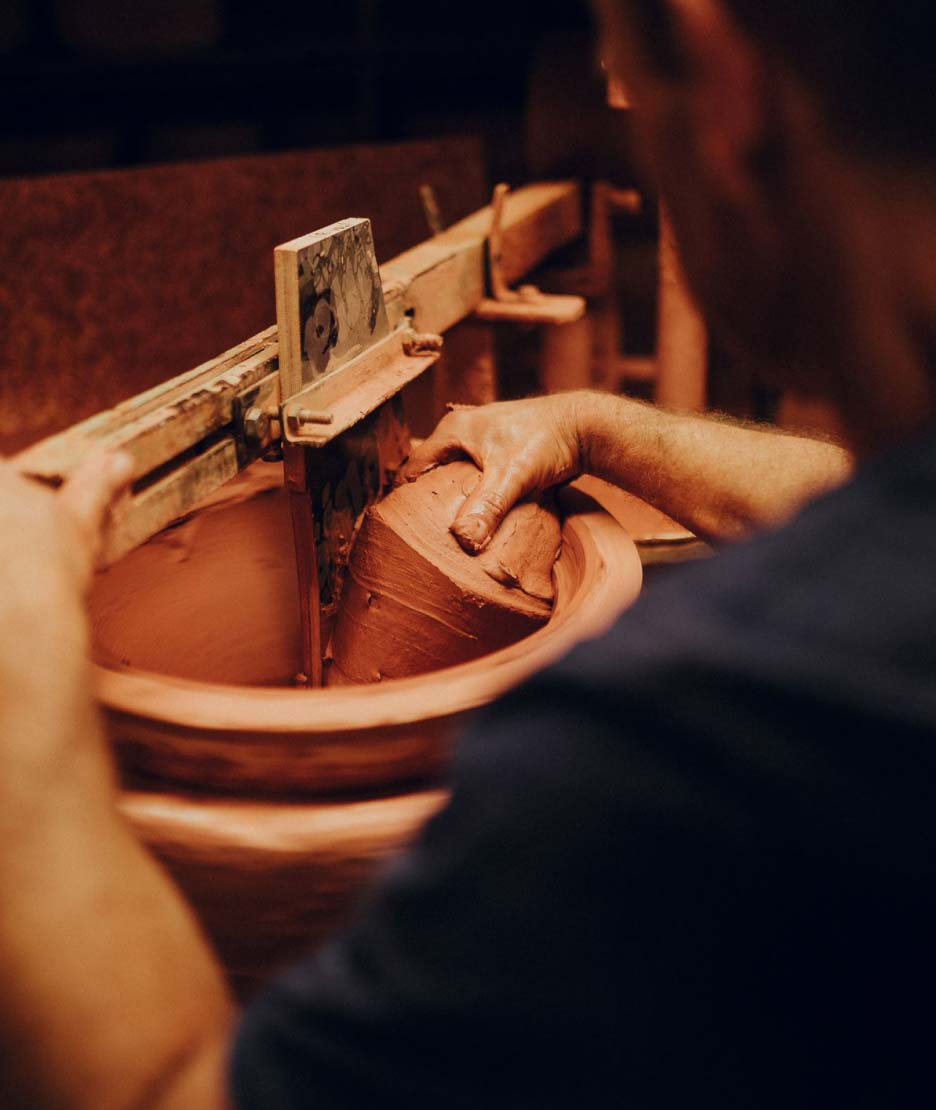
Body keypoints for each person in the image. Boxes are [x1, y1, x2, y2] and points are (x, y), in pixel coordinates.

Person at [1, 0, 934, 1105]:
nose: (609, 95)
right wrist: (603, 425)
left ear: (722, 72)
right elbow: (864, 509)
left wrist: (23, 712)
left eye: (619, 63)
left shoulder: (683, 750)